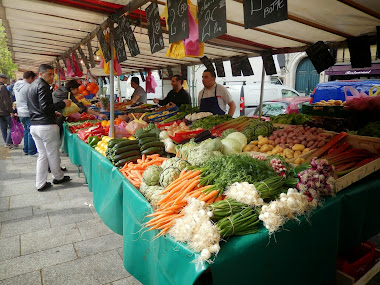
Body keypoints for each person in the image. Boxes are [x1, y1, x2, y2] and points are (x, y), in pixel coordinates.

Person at [27, 64, 71, 191]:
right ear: (41, 74)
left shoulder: (32, 86)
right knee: (52, 154)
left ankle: (40, 183)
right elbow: (45, 108)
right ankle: (58, 177)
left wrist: (53, 112)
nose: (52, 77)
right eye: (49, 74)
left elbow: (38, 107)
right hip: (46, 126)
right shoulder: (43, 86)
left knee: (43, 155)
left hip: (35, 125)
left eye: (53, 74)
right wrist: (63, 103)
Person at [14, 71, 38, 156]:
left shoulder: (16, 85)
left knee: (26, 130)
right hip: (28, 111)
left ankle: (26, 149)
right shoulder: (29, 86)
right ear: (31, 78)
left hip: (20, 111)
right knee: (31, 131)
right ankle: (31, 151)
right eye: (34, 79)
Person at [0, 73, 14, 148]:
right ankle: (8, 142)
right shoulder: (2, 87)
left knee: (3, 128)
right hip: (5, 111)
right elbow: (6, 101)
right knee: (12, 126)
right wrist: (11, 111)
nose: (5, 80)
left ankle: (7, 142)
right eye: (3, 78)